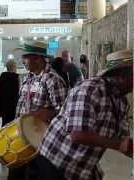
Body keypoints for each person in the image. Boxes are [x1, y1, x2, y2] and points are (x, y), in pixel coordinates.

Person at [35, 49, 133, 180]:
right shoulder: (90, 90)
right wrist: (119, 144)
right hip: (54, 165)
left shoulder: (121, 101)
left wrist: (126, 145)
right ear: (122, 75)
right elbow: (78, 134)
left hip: (81, 167)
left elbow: (123, 139)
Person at [13, 41, 68, 180]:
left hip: (43, 141)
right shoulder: (28, 78)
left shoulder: (52, 80)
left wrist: (49, 113)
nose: (22, 60)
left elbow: (65, 111)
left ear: (37, 58)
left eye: (26, 57)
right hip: (25, 138)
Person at [0, 59, 20, 126]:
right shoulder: (17, 77)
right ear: (14, 67)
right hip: (13, 104)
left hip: (3, 103)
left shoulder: (1, 76)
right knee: (12, 122)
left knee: (4, 121)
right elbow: (19, 92)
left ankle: (3, 134)